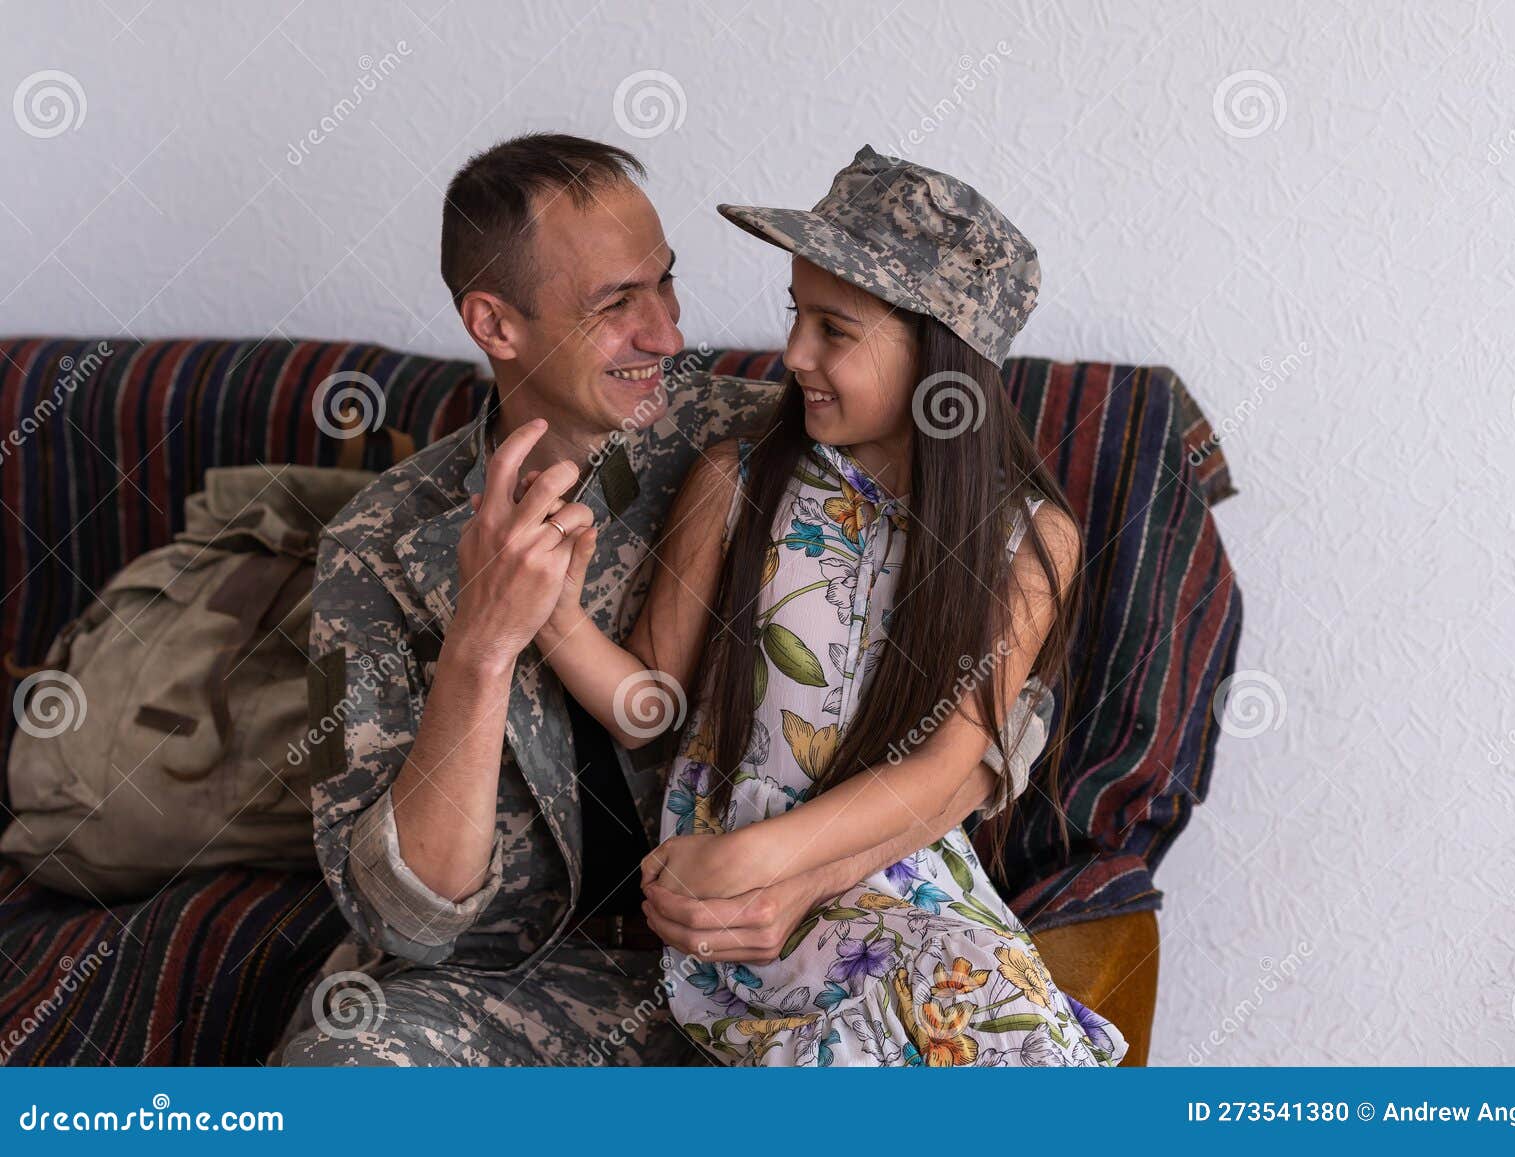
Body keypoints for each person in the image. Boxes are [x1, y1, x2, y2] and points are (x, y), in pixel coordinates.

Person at [274, 133, 1051, 1066]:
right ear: (495, 323)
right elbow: (403, 915)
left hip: (795, 944)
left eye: (665, 285)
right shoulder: (376, 547)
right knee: (346, 1067)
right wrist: (481, 647)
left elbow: (1000, 719)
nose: (669, 335)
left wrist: (805, 875)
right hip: (512, 992)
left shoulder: (775, 443)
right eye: (616, 304)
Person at [533, 145, 1129, 1066]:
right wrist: (555, 613)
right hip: (731, 908)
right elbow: (650, 706)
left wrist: (768, 858)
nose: (795, 353)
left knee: (999, 1030)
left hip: (897, 878)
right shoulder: (738, 482)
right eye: (796, 316)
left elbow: (941, 771)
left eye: (834, 329)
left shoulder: (1029, 540)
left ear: (938, 356)